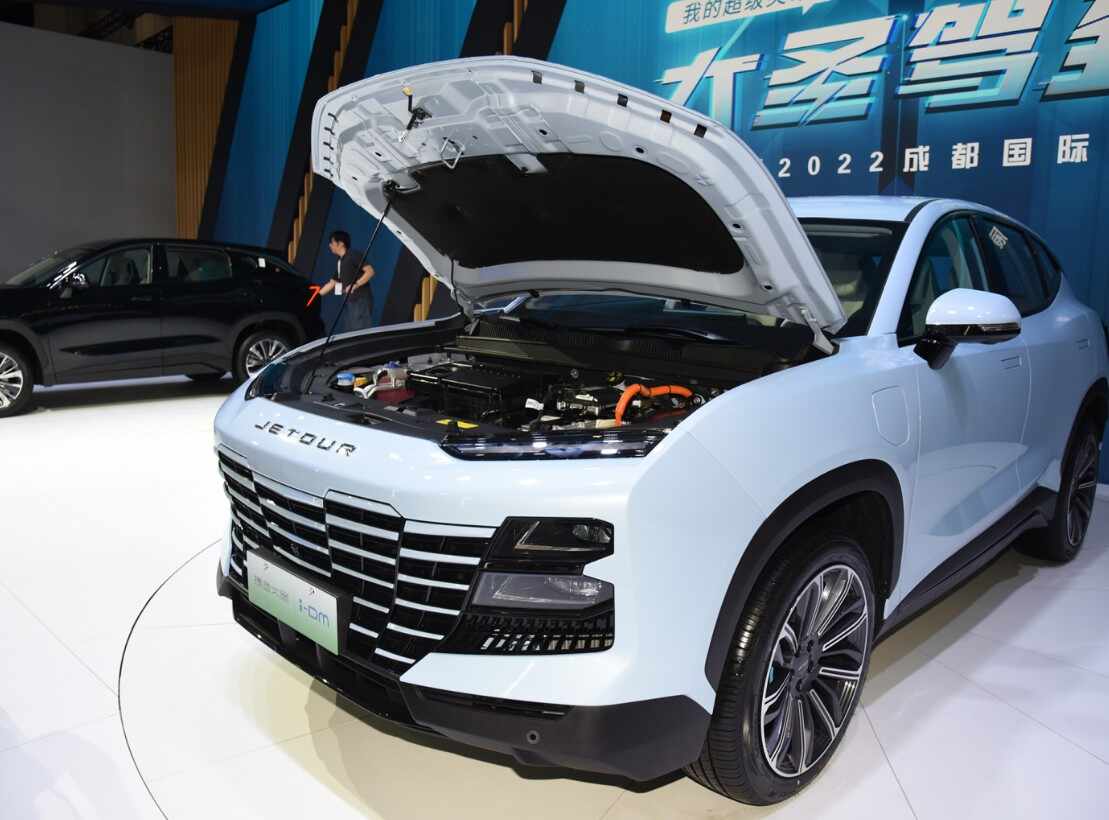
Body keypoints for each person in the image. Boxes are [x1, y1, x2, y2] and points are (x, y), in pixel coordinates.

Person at [318, 230, 375, 332]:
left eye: (332, 242)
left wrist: (356, 285)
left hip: (360, 300)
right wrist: (316, 296)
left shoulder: (353, 255)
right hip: (349, 302)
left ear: (341, 243)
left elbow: (370, 271)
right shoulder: (340, 261)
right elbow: (332, 283)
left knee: (360, 331)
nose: (330, 245)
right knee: (351, 332)